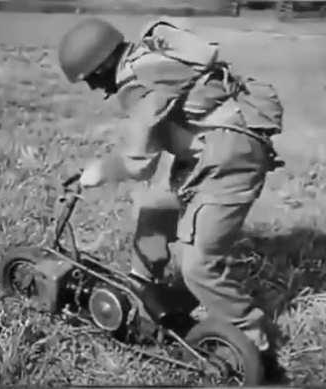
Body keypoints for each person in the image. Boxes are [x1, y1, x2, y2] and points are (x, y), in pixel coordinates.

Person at [58, 16, 285, 381]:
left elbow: (138, 163)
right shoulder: (148, 59)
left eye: (89, 79)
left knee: (199, 266)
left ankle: (256, 350)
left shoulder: (138, 83)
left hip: (231, 161)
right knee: (156, 206)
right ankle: (143, 287)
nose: (91, 87)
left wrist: (96, 172)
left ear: (99, 67)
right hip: (205, 154)